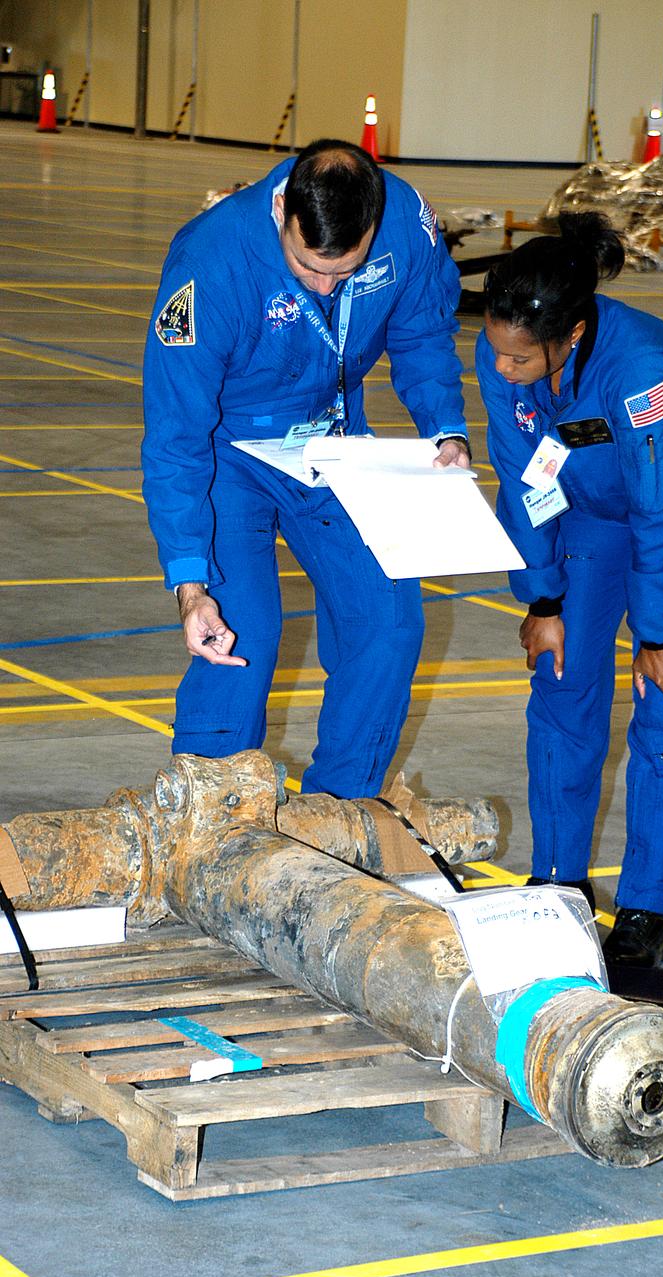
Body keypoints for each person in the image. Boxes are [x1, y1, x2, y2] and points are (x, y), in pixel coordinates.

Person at [142, 139, 470, 797]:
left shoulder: (408, 223)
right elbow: (176, 436)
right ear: (281, 210)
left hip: (330, 440)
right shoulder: (211, 262)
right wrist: (188, 582)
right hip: (227, 454)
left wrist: (445, 426)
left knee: (388, 616)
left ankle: (340, 807)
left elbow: (423, 333)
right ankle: (209, 810)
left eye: (342, 272)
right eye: (306, 266)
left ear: (375, 224)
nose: (323, 286)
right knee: (241, 633)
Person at [477, 212, 663, 967]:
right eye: (496, 352)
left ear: (570, 336)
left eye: (518, 360)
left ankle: (644, 908)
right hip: (589, 496)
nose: (502, 370)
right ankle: (559, 881)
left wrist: (661, 635)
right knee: (560, 677)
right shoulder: (504, 341)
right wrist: (541, 599)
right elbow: (520, 474)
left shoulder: (645, 381)